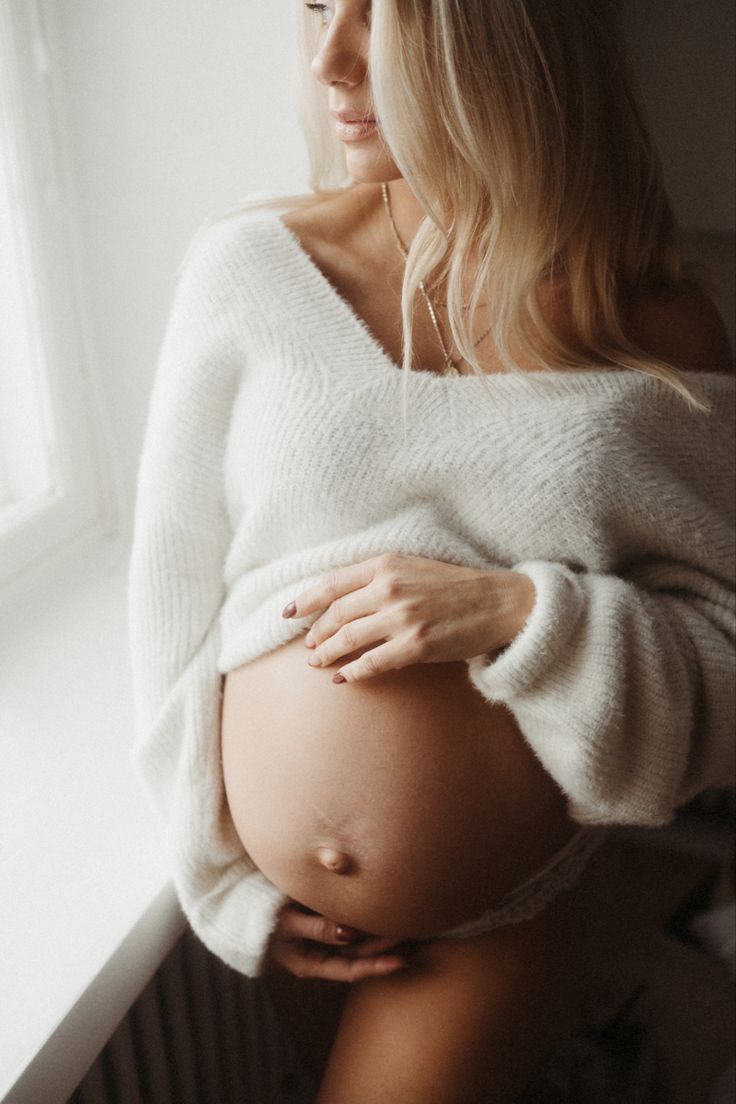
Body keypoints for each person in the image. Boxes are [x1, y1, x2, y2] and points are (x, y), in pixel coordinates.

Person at [127, 1, 735, 1100]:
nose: (331, 59)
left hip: (498, 911)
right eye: (316, 7)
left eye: (388, 16)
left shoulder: (656, 326)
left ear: (504, 41)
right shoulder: (249, 270)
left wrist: (519, 615)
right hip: (296, 920)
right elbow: (168, 598)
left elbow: (724, 659)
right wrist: (221, 881)